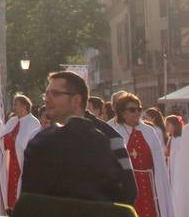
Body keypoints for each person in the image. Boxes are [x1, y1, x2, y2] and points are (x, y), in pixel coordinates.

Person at [20, 71, 137, 204]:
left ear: (76, 100)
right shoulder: (42, 139)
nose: (47, 99)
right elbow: (30, 198)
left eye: (55, 94)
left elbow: (128, 191)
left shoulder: (109, 137)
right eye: (46, 94)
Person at [112, 92, 172, 217]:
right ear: (122, 112)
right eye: (132, 110)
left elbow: (159, 164)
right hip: (128, 187)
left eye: (139, 109)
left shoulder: (149, 131)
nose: (137, 113)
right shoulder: (115, 132)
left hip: (150, 187)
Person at [0, 93, 40, 212]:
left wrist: (14, 141)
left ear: (24, 106)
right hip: (10, 160)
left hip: (22, 161)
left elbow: (29, 143)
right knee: (9, 186)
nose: (13, 107)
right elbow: (3, 139)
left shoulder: (33, 122)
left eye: (16, 105)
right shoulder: (12, 121)